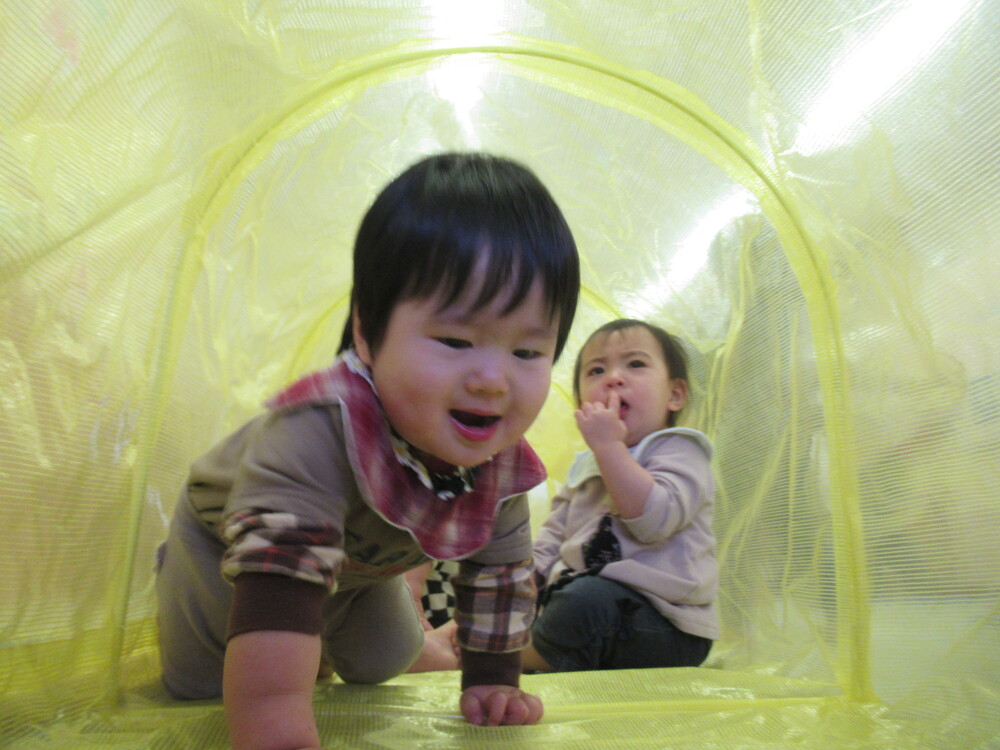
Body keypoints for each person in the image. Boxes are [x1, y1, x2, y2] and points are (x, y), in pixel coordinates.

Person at [155, 152, 580, 749]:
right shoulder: (315, 430)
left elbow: (500, 576)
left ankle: (318, 635)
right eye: (456, 340)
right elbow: (282, 571)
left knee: (381, 664)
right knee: (202, 686)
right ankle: (271, 627)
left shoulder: (501, 464)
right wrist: (276, 718)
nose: (493, 379)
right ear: (366, 332)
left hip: (362, 566)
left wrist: (492, 679)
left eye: (529, 353)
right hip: (235, 545)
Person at [521, 318, 718, 673]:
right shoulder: (587, 463)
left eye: (636, 364)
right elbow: (554, 534)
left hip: (664, 624)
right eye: (596, 371)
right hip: (583, 606)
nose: (613, 378)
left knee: (583, 603)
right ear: (582, 405)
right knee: (532, 602)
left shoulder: (680, 448)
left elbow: (655, 521)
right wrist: (524, 582)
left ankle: (519, 661)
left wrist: (609, 447)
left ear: (675, 394)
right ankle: (511, 647)